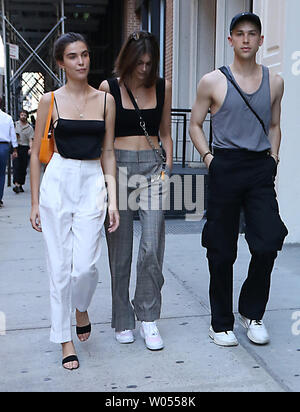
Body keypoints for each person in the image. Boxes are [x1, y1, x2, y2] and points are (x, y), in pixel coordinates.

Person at [189, 13, 288, 347]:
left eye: (252, 34)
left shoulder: (275, 82)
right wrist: (209, 158)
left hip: (259, 167)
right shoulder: (212, 82)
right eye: (239, 34)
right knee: (220, 247)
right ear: (230, 40)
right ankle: (220, 322)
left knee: (269, 239)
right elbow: (195, 124)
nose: (246, 40)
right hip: (225, 166)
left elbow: (274, 125)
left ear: (261, 41)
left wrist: (273, 159)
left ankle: (251, 310)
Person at [30, 32, 119, 370]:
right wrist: (35, 202)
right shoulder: (49, 101)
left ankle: (81, 307)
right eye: (73, 56)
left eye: (84, 54)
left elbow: (108, 150)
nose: (81, 61)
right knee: (59, 267)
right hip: (58, 180)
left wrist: (112, 198)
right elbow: (37, 155)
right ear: (61, 63)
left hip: (92, 181)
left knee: (84, 266)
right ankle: (64, 338)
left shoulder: (105, 100)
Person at [99, 30, 173, 351]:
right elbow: (106, 142)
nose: (144, 68)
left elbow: (166, 133)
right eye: (139, 62)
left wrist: (167, 170)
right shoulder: (109, 88)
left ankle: (148, 316)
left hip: (153, 169)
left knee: (153, 243)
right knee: (120, 249)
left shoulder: (162, 86)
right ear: (127, 59)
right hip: (119, 168)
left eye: (149, 62)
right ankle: (122, 317)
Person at [0, 96, 18, 208]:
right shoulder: (7, 118)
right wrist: (15, 149)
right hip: (4, 147)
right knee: (1, 173)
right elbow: (13, 135)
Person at [13, 109, 34, 193]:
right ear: (19, 115)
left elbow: (31, 139)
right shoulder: (15, 124)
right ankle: (16, 184)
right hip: (16, 147)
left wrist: (31, 148)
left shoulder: (29, 128)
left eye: (24, 115)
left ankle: (20, 184)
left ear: (27, 116)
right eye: (22, 115)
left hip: (25, 148)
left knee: (23, 167)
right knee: (16, 165)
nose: (23, 117)